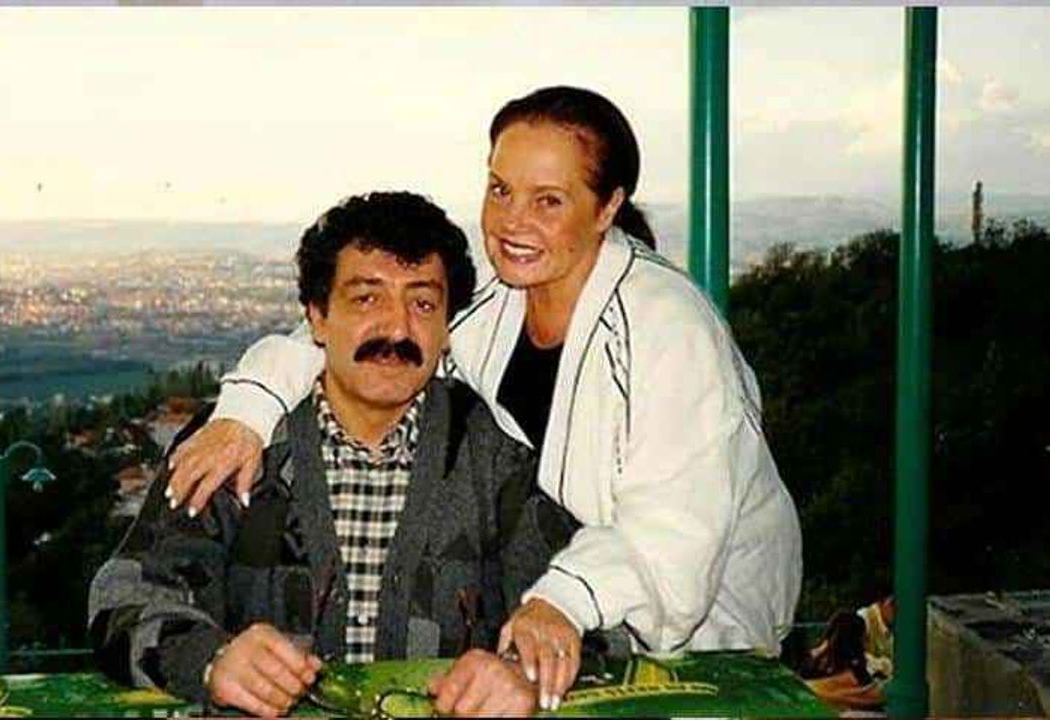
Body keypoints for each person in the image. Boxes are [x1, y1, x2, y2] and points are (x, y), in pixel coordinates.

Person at [166, 86, 803, 711]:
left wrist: (561, 601)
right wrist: (247, 413)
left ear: (608, 207)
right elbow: (370, 340)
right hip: (567, 613)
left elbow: (671, 535)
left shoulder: (669, 331)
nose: (512, 221)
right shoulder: (498, 305)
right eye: (500, 190)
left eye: (548, 200)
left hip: (700, 642)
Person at [89, 191, 554, 717]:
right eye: (367, 299)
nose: (398, 329)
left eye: (423, 304)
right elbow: (123, 595)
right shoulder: (241, 447)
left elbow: (576, 608)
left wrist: (520, 670)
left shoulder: (492, 455)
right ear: (316, 317)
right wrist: (210, 660)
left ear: (448, 328)